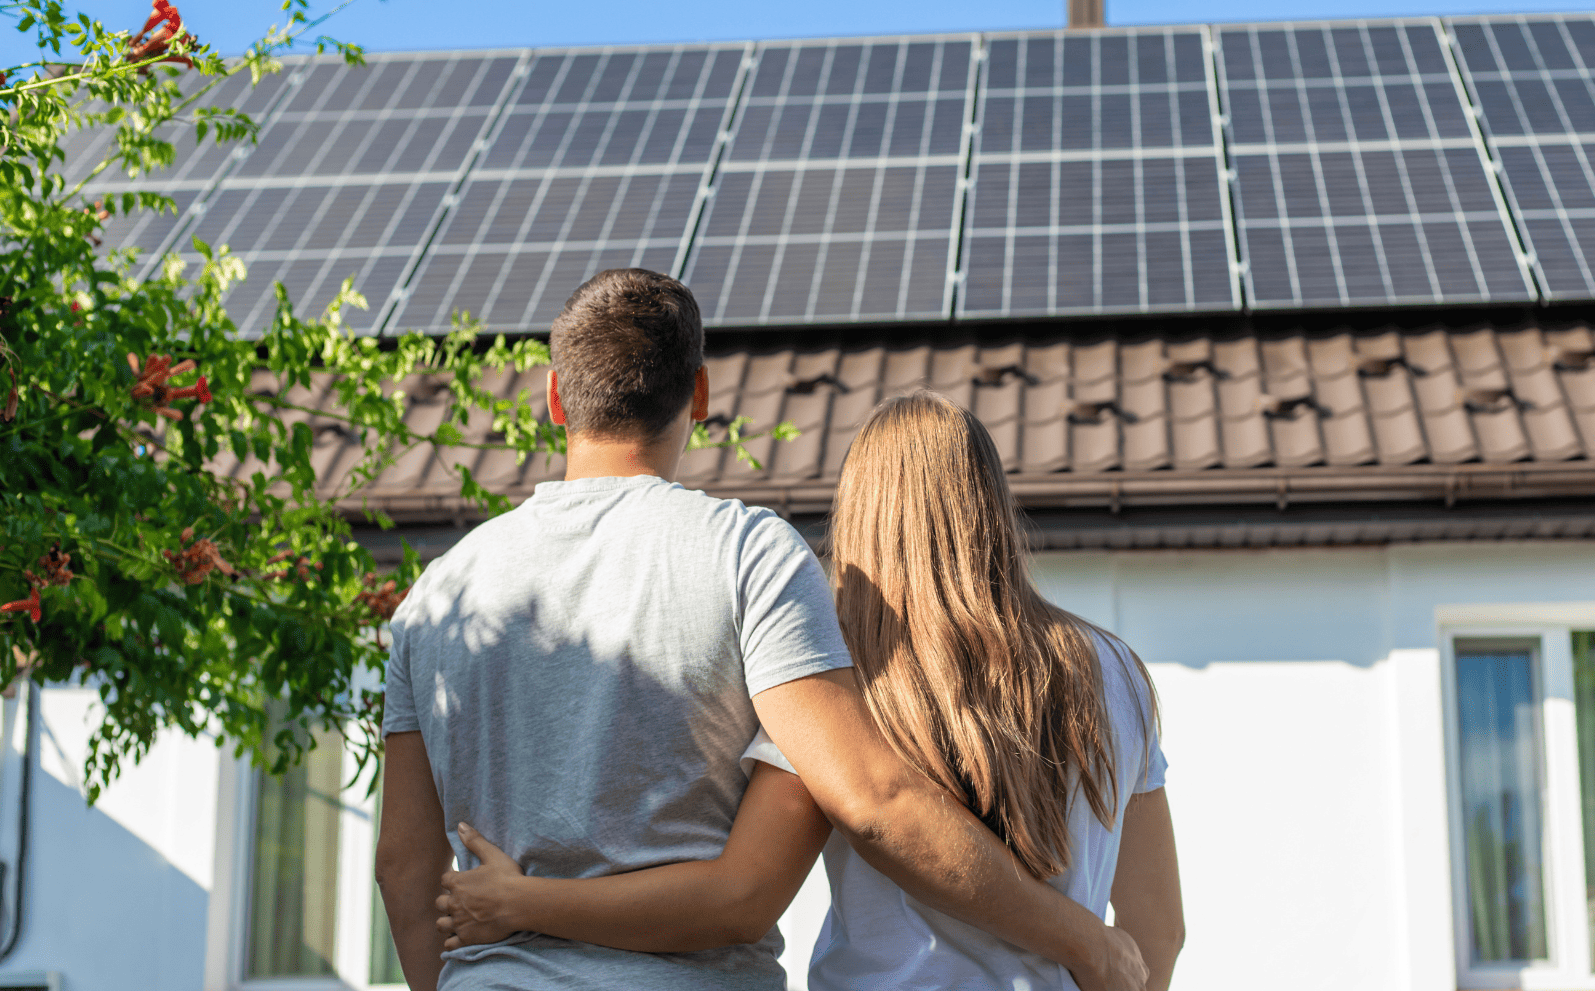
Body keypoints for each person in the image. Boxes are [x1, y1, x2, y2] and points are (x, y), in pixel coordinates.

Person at [374, 268, 1146, 991]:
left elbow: (404, 872)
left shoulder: (436, 599)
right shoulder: (746, 554)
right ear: (699, 393)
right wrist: (1084, 939)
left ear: (554, 398)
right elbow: (864, 806)